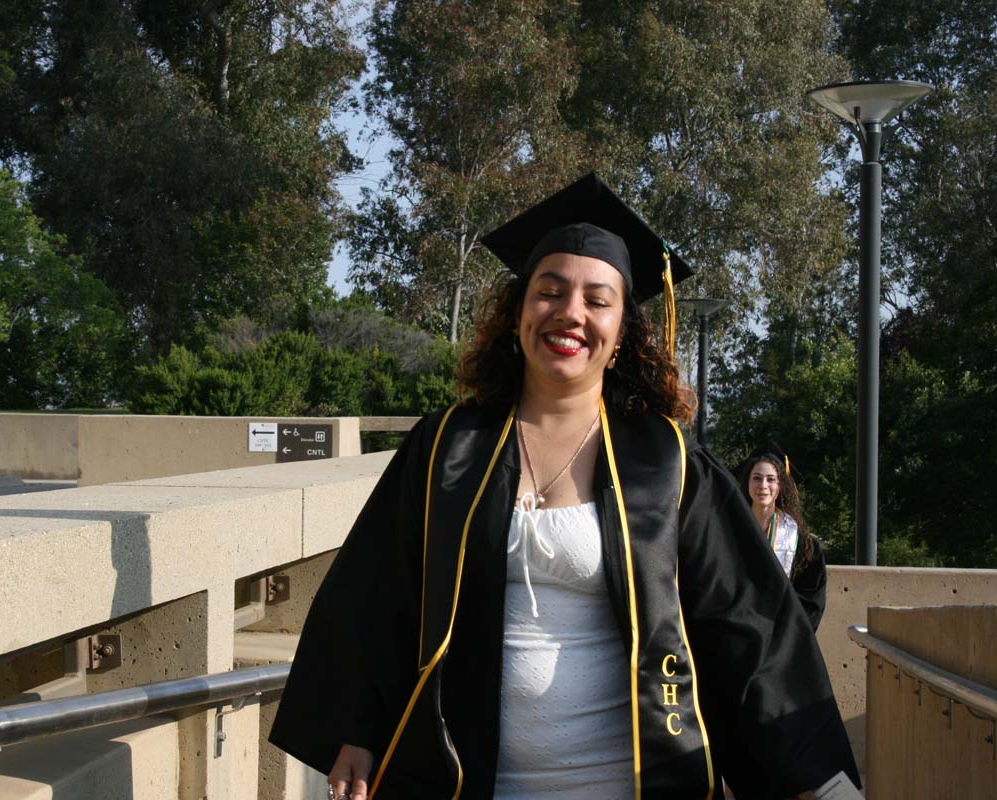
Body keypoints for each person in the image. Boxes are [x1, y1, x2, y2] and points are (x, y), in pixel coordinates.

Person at [269, 174, 859, 800]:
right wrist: (357, 728)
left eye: (597, 300)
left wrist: (817, 781)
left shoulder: (667, 462)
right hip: (463, 781)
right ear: (519, 311)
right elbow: (375, 596)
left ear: (623, 330)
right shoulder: (448, 449)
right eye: (548, 292)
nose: (570, 312)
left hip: (632, 783)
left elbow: (746, 626)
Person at [741, 447, 828, 631]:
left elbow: (810, 601)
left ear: (780, 485)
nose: (763, 485)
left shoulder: (803, 545)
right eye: (756, 478)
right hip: (738, 632)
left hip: (780, 636)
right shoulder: (730, 531)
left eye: (771, 479)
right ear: (747, 483)